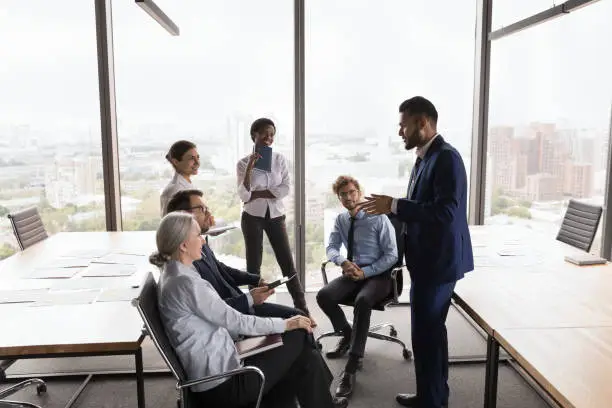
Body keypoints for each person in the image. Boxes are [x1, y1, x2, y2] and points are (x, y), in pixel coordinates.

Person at [151, 212, 348, 408]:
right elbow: (236, 321)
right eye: (197, 236)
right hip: (226, 384)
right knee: (298, 334)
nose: (202, 241)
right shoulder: (186, 284)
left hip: (224, 366)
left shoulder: (174, 274)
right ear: (183, 245)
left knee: (306, 357)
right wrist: (286, 324)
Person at [359, 96, 473, 408]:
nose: (400, 132)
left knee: (428, 335)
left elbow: (446, 211)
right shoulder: (425, 157)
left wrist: (395, 205)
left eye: (403, 125)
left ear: (422, 123)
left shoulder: (447, 158)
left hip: (438, 264)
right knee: (426, 335)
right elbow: (423, 208)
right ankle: (431, 396)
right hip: (425, 262)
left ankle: (433, 401)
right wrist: (388, 211)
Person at [317, 175, 398, 399]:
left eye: (352, 192)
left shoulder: (378, 218)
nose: (348, 197)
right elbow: (332, 247)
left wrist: (366, 272)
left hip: (379, 275)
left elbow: (392, 254)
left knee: (363, 300)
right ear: (339, 197)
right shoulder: (341, 220)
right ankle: (348, 332)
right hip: (354, 272)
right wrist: (342, 261)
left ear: (359, 192)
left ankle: (352, 366)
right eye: (343, 194)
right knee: (324, 296)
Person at [166, 188, 305, 319]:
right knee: (298, 320)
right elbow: (216, 311)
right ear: (184, 215)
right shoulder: (188, 261)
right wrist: (250, 299)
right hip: (237, 314)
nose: (209, 213)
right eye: (202, 209)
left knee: (299, 318)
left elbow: (222, 269)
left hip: (240, 306)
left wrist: (255, 280)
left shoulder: (199, 243)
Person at [236, 118, 311, 321]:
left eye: (272, 135)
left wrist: (259, 193)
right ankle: (255, 312)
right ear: (254, 135)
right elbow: (244, 196)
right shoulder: (243, 163)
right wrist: (251, 167)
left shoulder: (279, 159)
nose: (269, 138)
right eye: (264, 134)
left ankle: (304, 310)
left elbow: (285, 188)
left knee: (287, 263)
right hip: (252, 217)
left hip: (276, 216)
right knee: (254, 266)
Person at [160, 140, 199, 216]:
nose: (197, 163)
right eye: (191, 158)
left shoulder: (187, 185)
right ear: (176, 162)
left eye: (198, 157)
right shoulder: (175, 190)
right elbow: (174, 225)